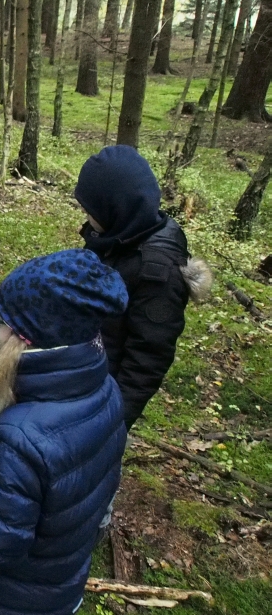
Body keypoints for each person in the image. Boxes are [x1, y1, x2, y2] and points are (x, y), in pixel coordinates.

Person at [0, 249, 129, 615]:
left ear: (26, 338)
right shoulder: (105, 390)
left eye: (1, 319)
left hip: (10, 600)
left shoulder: (21, 440)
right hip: (60, 584)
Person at [74, 146, 211, 428]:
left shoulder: (157, 271)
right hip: (85, 370)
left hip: (106, 393)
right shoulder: (119, 235)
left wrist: (112, 420)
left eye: (91, 210)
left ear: (115, 206)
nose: (86, 215)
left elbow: (148, 358)